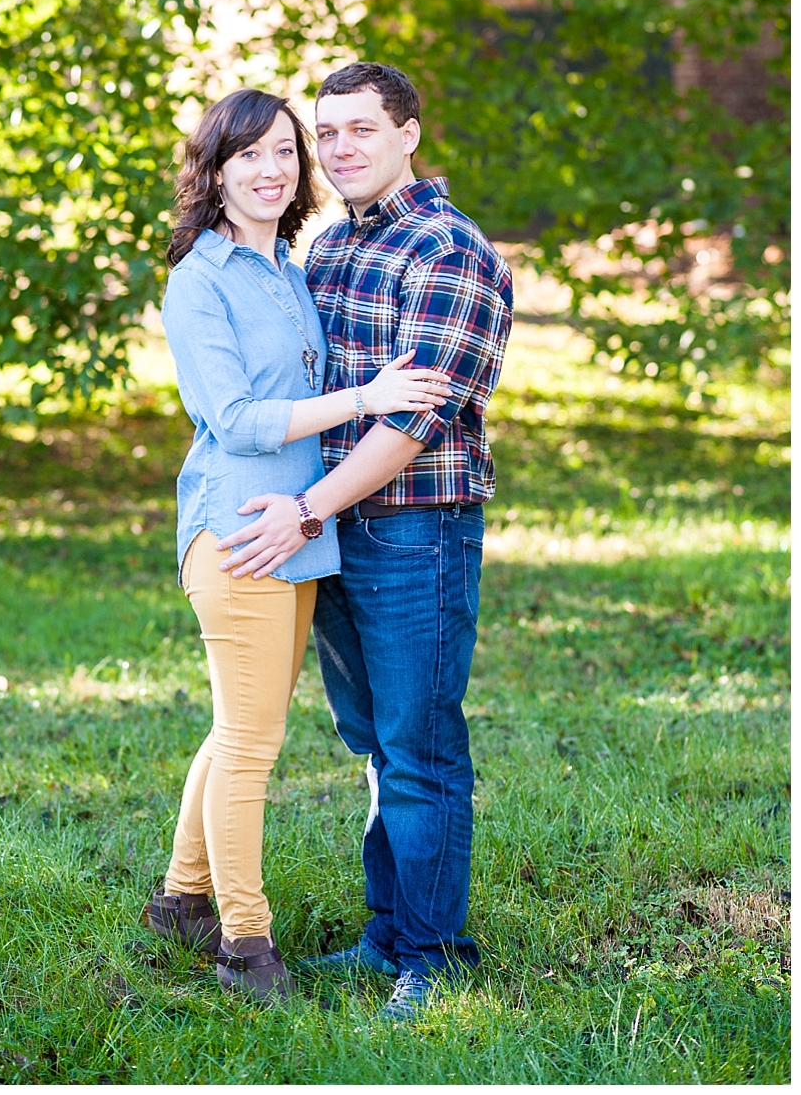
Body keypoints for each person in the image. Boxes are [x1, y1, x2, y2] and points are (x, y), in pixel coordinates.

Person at [213, 62, 513, 1022]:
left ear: (410, 134)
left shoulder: (450, 253)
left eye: (361, 131)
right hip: (334, 532)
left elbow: (407, 426)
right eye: (327, 133)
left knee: (421, 747)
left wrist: (306, 512)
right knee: (376, 746)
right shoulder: (332, 246)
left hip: (414, 531)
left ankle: (436, 956)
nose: (339, 149)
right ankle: (389, 934)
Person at [150, 87, 453, 1006]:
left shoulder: (288, 264)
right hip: (240, 534)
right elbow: (238, 421)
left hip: (302, 531)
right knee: (252, 744)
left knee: (236, 730)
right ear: (214, 170)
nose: (274, 169)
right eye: (251, 155)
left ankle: (179, 899)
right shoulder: (198, 280)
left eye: (288, 151)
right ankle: (246, 942)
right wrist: (366, 400)